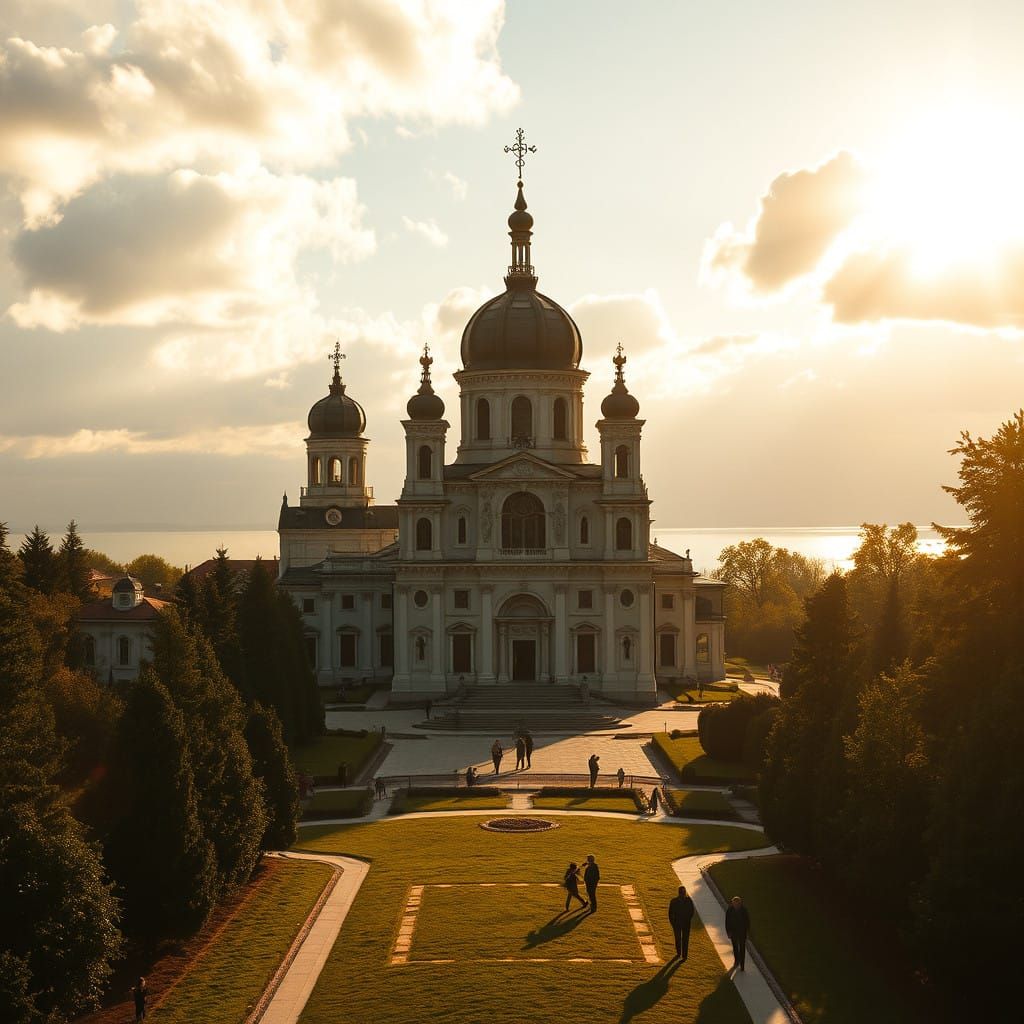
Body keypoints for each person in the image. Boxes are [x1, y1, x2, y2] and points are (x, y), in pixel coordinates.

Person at [668, 885, 695, 960]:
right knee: (678, 939)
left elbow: (691, 912)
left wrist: (688, 919)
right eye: (682, 892)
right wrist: (673, 923)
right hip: (677, 924)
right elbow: (670, 914)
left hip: (686, 924)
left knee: (685, 939)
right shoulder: (674, 901)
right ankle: (679, 953)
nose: (683, 894)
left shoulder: (688, 901)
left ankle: (684, 955)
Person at [725, 895, 750, 971]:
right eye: (734, 903)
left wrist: (747, 932)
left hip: (742, 933)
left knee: (742, 949)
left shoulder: (744, 910)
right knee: (735, 948)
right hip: (733, 932)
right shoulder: (729, 910)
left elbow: (747, 922)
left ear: (740, 903)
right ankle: (736, 961)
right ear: (732, 903)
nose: (736, 905)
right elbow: (727, 922)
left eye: (737, 904)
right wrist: (728, 932)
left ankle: (742, 965)